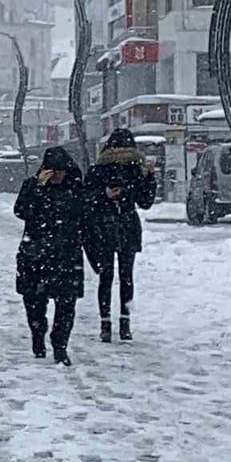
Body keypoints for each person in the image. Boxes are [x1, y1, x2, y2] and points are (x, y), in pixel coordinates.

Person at [15, 146, 89, 366]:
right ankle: (38, 336)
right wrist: (38, 187)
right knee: (34, 303)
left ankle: (60, 346)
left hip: (66, 255)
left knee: (67, 304)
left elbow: (84, 218)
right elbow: (22, 211)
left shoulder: (75, 188)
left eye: (61, 171)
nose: (57, 176)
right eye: (52, 171)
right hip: (35, 254)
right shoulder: (32, 186)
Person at [83, 129, 157, 343]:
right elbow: (145, 202)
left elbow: (87, 198)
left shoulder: (98, 169)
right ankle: (123, 323)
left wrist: (102, 196)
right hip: (124, 225)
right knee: (126, 277)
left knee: (107, 278)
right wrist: (148, 178)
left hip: (107, 226)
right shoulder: (134, 170)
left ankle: (107, 324)